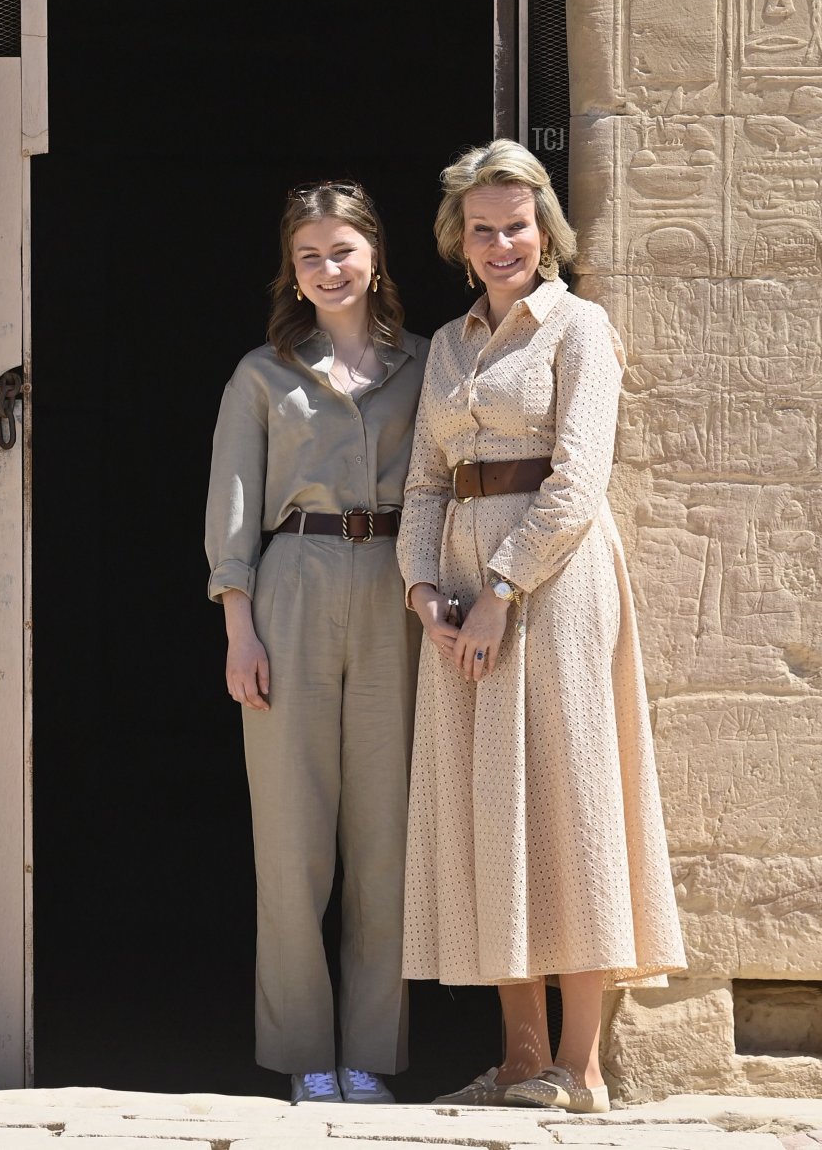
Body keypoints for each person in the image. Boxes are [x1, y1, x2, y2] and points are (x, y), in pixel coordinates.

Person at [396, 141, 685, 1116]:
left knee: (570, 797)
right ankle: (521, 1060)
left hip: (552, 584)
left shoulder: (579, 328)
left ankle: (583, 1064)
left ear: (545, 230)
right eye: (483, 227)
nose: (502, 241)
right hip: (462, 589)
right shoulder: (445, 346)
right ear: (460, 242)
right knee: (489, 804)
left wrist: (502, 587)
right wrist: (424, 589)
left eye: (517, 223)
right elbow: (426, 481)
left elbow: (577, 478)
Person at [205, 181, 428, 1107]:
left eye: (343, 250)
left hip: (395, 590)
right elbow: (233, 510)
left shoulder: (428, 364)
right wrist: (238, 628)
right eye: (309, 256)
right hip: (290, 588)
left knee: (385, 836)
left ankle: (371, 1051)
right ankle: (305, 1052)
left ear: (374, 255)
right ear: (291, 274)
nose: (328, 269)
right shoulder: (261, 375)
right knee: (291, 836)